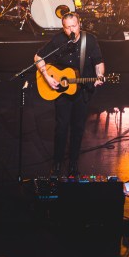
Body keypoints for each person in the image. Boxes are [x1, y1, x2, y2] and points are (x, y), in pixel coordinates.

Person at [33, 12, 105, 176]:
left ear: (80, 24)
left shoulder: (90, 40)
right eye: (67, 27)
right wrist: (46, 76)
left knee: (78, 128)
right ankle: (57, 162)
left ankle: (73, 162)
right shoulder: (59, 40)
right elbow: (38, 56)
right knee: (61, 128)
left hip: (83, 91)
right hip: (62, 92)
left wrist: (99, 75)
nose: (71, 30)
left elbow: (99, 62)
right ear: (63, 27)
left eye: (74, 26)